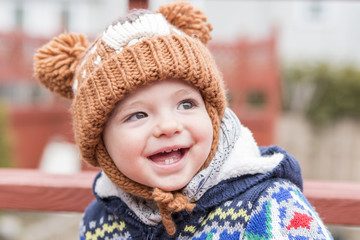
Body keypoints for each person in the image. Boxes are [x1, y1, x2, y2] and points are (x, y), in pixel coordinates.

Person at [33, 1, 333, 239]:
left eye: (186, 104)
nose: (168, 126)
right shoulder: (101, 223)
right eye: (138, 115)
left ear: (212, 114)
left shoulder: (269, 206)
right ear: (101, 145)